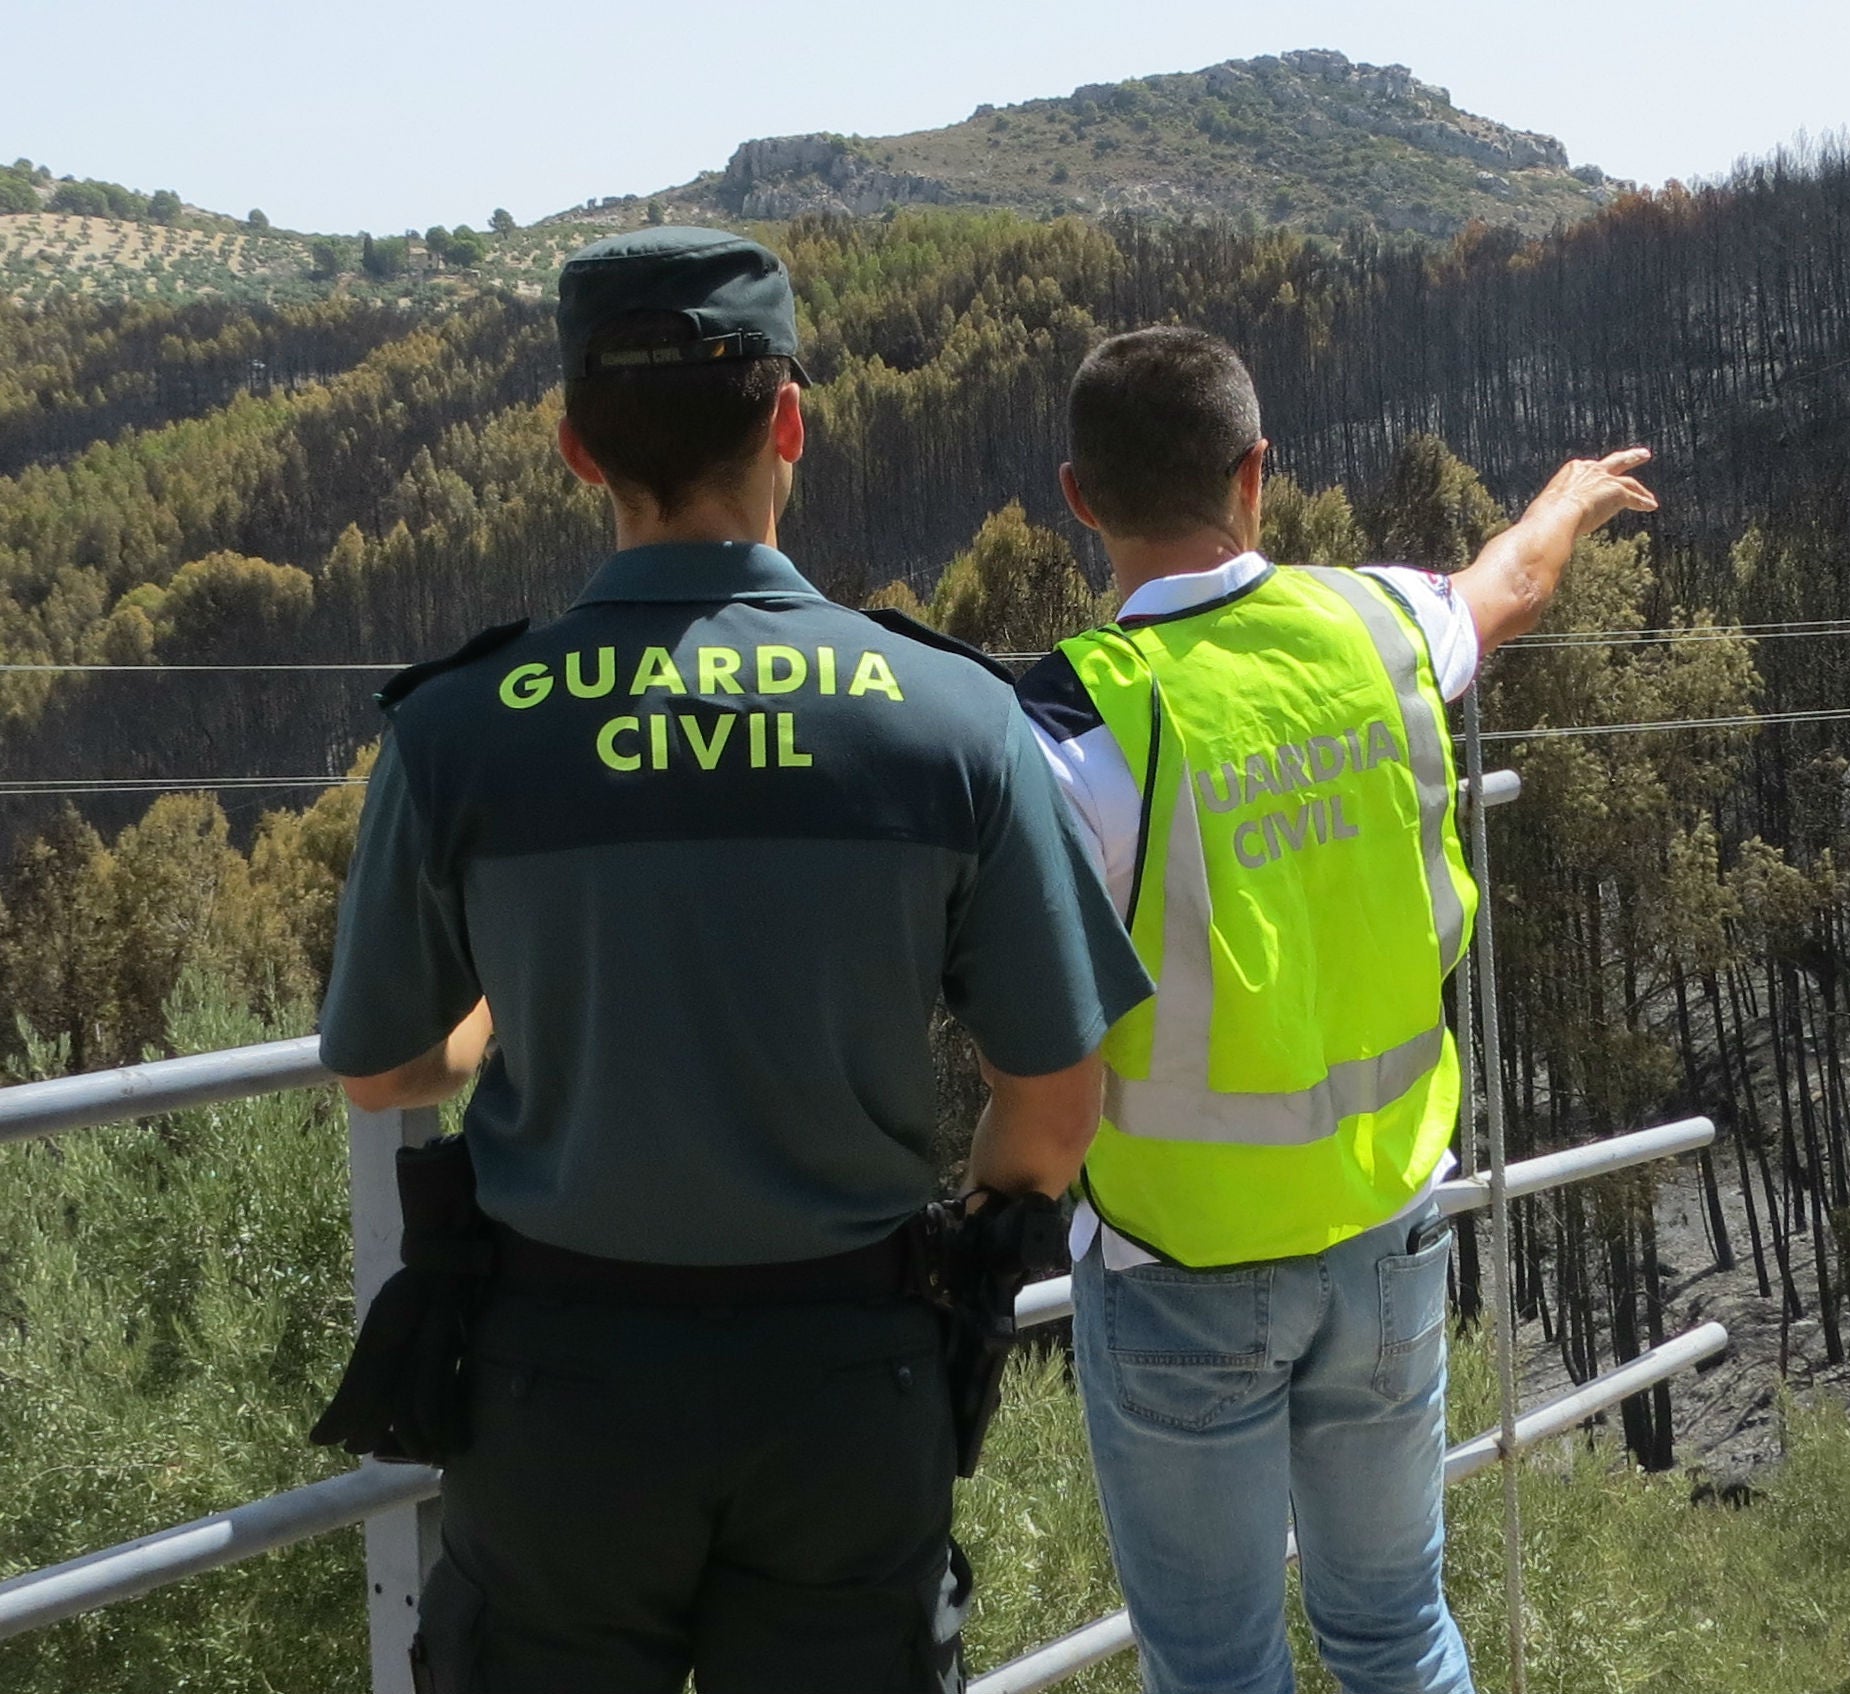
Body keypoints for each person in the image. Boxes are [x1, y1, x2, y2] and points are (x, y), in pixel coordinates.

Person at [314, 226, 1152, 1694]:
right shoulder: (949, 716)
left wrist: (519, 994)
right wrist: (964, 1240)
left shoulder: (457, 730)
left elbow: (383, 1061)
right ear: (790, 422)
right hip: (847, 1377)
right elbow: (1058, 1101)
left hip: (556, 1388)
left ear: (577, 447)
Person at [1017, 325, 1655, 1694]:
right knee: (1397, 1629)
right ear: (1258, 472)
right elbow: (1511, 588)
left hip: (1178, 1279)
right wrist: (1567, 495)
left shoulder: (1076, 731)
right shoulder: (1378, 623)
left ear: (1079, 497)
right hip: (1386, 1240)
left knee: (1219, 1670)